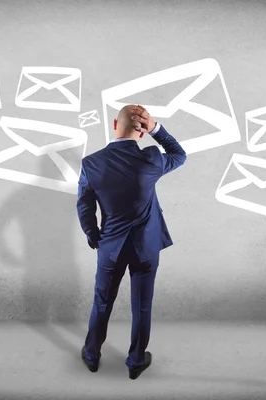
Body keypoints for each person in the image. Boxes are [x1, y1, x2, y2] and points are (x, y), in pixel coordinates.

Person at [76, 104, 187, 379]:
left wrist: (94, 237)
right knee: (142, 305)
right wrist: (157, 128)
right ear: (142, 130)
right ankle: (136, 361)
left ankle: (92, 355)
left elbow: (84, 206)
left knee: (101, 302)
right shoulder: (151, 158)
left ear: (116, 124)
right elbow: (179, 154)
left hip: (110, 247)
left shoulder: (91, 163)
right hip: (146, 248)